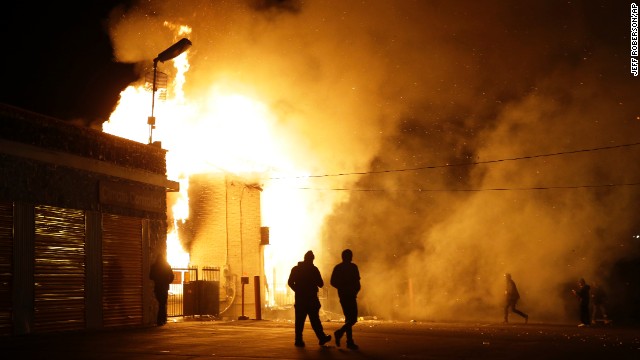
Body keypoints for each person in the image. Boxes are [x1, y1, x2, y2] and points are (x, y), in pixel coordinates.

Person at [287, 250, 332, 347]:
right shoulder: (314, 269)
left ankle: (298, 340)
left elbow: (290, 282)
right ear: (312, 259)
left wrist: (298, 290)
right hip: (311, 299)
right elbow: (321, 284)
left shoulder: (296, 269)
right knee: (315, 320)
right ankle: (321, 337)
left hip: (300, 299)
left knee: (299, 320)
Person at [330, 249, 361, 350]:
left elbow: (332, 282)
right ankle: (340, 333)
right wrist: (354, 290)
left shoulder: (338, 268)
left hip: (343, 296)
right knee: (353, 318)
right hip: (350, 295)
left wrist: (341, 287)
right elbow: (357, 282)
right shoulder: (353, 267)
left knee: (349, 318)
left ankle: (349, 341)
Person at [149, 253, 174, 326]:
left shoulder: (154, 266)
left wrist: (157, 278)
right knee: (162, 303)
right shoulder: (166, 266)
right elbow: (172, 275)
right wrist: (168, 281)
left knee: (161, 303)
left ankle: (160, 320)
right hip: (165, 287)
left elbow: (150, 276)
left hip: (158, 287)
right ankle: (162, 319)